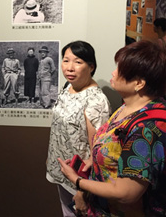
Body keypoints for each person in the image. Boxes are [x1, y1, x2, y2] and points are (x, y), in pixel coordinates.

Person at [58, 40, 166, 216]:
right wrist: (96, 160)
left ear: (139, 83)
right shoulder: (127, 108)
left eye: (120, 70)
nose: (113, 73)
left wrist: (77, 181)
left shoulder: (146, 128)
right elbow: (115, 149)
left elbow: (126, 193)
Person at [46, 41, 111, 217]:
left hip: (80, 180)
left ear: (91, 66)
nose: (70, 68)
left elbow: (97, 153)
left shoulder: (96, 101)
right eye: (66, 61)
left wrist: (83, 190)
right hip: (62, 172)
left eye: (78, 62)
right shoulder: (69, 87)